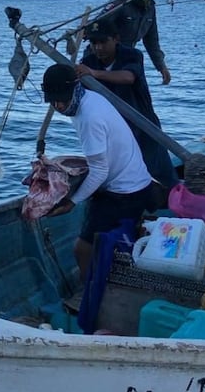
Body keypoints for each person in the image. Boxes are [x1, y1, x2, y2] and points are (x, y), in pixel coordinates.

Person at [42, 63, 152, 282]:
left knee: (82, 249)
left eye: (62, 98)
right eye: (53, 101)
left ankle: (91, 296)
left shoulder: (89, 117)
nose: (60, 105)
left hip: (125, 193)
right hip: (139, 182)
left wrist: (72, 203)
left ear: (75, 87)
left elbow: (100, 171)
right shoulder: (92, 98)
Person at [76, 17, 178, 193]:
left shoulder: (132, 55)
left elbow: (128, 77)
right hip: (114, 130)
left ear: (116, 38)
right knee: (119, 174)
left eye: (103, 42)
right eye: (94, 42)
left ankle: (176, 203)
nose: (98, 47)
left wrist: (93, 73)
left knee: (160, 170)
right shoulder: (89, 60)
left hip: (142, 123)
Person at [108, 0, 172, 85]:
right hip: (107, 58)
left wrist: (161, 67)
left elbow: (151, 41)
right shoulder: (118, 4)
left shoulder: (150, 7)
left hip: (128, 57)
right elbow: (97, 26)